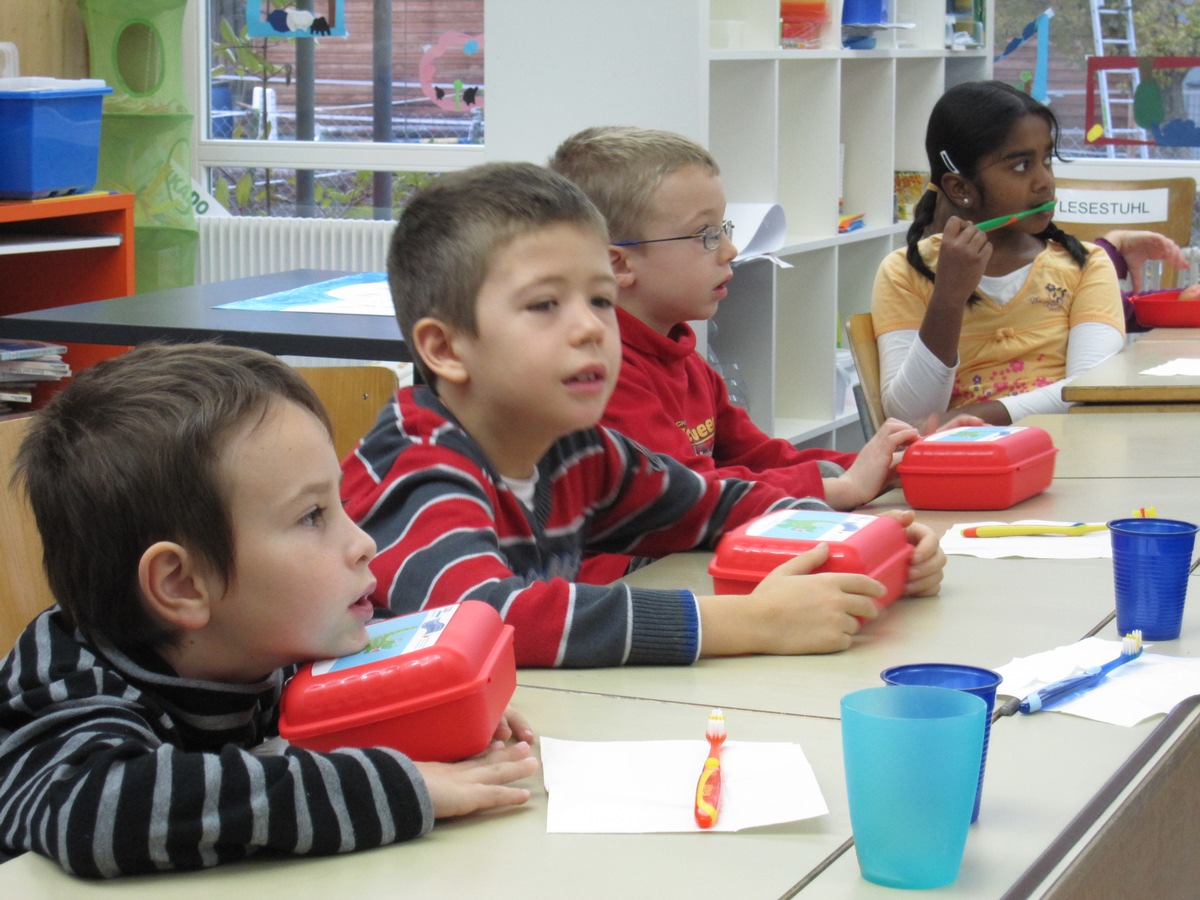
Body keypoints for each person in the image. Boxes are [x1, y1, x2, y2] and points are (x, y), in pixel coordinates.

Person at [340, 161, 946, 671]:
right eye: (545, 304)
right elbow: (485, 617)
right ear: (445, 350)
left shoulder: (575, 446)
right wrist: (748, 621)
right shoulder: (418, 466)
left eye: (600, 299)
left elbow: (716, 505)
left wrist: (864, 543)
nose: (590, 328)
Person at [0, 343, 537, 878]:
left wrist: (433, 713)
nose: (363, 544)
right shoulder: (65, 683)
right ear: (183, 584)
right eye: (311, 517)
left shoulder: (268, 636)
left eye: (340, 505)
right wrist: (395, 786)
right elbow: (99, 811)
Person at [548, 125, 963, 582]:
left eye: (722, 229)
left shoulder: (681, 355)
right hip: (638, 575)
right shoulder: (606, 374)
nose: (729, 250)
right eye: (704, 235)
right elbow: (692, 501)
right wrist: (841, 488)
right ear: (619, 264)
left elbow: (765, 457)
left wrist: (889, 464)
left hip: (690, 552)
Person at [871, 80, 1129, 426]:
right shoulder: (903, 272)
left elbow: (1091, 391)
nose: (1044, 182)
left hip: (1064, 456)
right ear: (960, 187)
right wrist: (948, 295)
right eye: (1021, 166)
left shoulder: (1086, 265)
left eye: (1047, 160)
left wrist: (976, 415)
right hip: (959, 468)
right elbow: (910, 417)